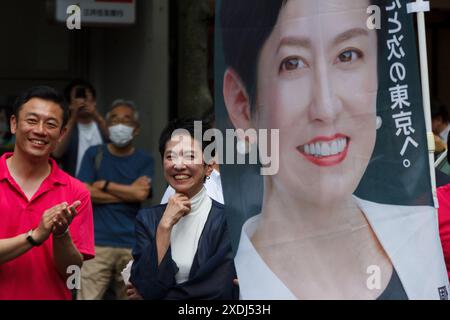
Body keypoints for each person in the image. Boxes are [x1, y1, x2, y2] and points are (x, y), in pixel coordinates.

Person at [220, 0, 448, 299]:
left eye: (348, 55)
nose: (326, 108)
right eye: (292, 63)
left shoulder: (419, 232)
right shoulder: (227, 277)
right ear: (241, 103)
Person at [0, 86, 95, 300]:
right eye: (32, 121)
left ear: (61, 134)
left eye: (51, 124)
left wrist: (61, 235)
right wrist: (35, 236)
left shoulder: (76, 193)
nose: (40, 131)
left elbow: (73, 275)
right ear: (14, 124)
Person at [129, 118, 237, 299]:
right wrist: (164, 227)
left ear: (209, 166)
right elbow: (145, 284)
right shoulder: (148, 219)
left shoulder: (227, 220)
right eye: (170, 156)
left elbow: (217, 290)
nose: (178, 165)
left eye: (190, 156)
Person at [76, 100, 154, 300]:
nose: (119, 124)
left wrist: (105, 185)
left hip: (131, 243)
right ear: (107, 126)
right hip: (95, 243)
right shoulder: (95, 154)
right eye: (114, 119)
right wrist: (127, 192)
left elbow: (140, 195)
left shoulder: (145, 160)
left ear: (136, 130)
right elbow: (83, 193)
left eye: (126, 120)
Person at [53, 79, 108, 177]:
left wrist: (96, 115)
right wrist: (74, 116)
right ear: (69, 104)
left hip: (104, 186)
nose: (83, 100)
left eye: (86, 96)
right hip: (75, 186)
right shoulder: (67, 129)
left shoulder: (102, 125)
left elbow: (114, 140)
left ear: (94, 101)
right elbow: (57, 153)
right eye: (78, 96)